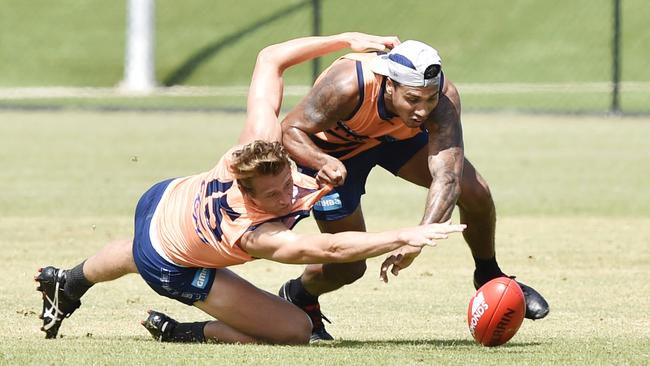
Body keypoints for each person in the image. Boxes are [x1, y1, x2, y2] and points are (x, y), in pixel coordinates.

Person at [35, 33, 465, 345]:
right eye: (275, 197)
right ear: (253, 199)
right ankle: (184, 332)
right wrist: (405, 235)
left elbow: (269, 60)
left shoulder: (256, 145)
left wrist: (345, 40)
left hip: (162, 198)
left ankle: (70, 281)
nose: (287, 195)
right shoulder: (256, 232)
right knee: (294, 330)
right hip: (172, 264)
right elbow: (332, 250)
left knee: (147, 244)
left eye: (286, 179)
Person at [278, 40, 550, 340]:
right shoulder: (346, 85)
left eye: (429, 99)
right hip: (334, 153)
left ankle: (488, 274)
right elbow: (289, 129)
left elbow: (447, 177)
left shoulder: (443, 100)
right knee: (349, 267)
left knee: (475, 192)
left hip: (395, 139)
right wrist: (321, 161)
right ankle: (299, 295)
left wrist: (419, 238)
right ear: (389, 85)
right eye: (413, 99)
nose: (422, 110)